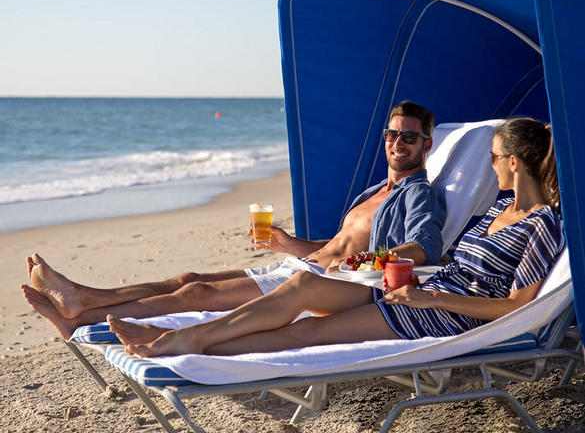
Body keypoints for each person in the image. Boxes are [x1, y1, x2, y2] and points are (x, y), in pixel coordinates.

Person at [105, 117, 564, 358]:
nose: (490, 164)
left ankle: (190, 344)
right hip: (420, 292)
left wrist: (433, 301)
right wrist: (404, 279)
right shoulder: (499, 209)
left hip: (444, 316)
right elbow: (450, 263)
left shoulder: (543, 224)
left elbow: (517, 306)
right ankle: (188, 335)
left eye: (494, 157)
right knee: (304, 286)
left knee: (311, 332)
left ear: (515, 163)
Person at [22, 101, 446, 339]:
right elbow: (333, 247)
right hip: (303, 264)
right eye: (391, 135)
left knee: (196, 293)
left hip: (335, 286)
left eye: (409, 137)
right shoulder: (373, 192)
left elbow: (424, 246)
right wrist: (286, 243)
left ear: (425, 146)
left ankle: (83, 309)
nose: (397, 143)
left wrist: (362, 262)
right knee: (187, 277)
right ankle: (82, 301)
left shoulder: (420, 193)